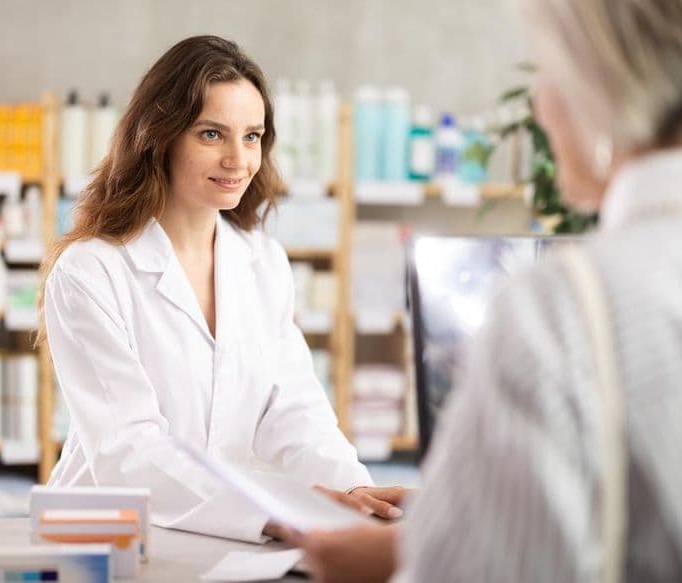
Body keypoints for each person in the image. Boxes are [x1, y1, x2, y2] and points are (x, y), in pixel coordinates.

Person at [292, 0, 682, 580]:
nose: (535, 104)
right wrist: (462, 515)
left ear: (594, 82)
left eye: (545, 71)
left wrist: (391, 565)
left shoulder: (563, 307)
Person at [36, 35, 405, 543]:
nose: (238, 158)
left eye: (252, 136)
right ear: (158, 137)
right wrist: (274, 511)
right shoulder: (91, 272)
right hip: (104, 538)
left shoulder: (263, 262)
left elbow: (293, 410)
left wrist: (356, 495)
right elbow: (130, 452)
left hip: (226, 534)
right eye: (212, 134)